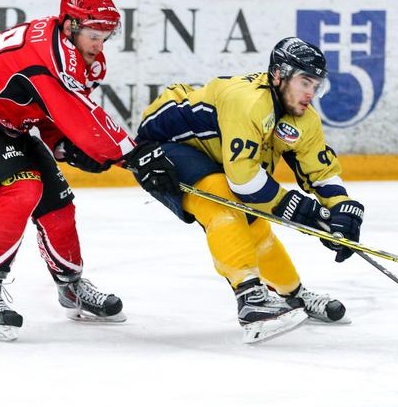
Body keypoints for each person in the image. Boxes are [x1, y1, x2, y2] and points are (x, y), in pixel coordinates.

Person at [0, 0, 178, 341]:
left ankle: (70, 287)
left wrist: (62, 145)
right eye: (93, 35)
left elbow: (48, 110)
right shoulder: (47, 56)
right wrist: (133, 156)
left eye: (105, 37)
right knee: (23, 188)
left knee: (57, 202)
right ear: (71, 24)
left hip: (3, 120)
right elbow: (82, 118)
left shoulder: (71, 50)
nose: (99, 45)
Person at [132, 37, 365, 343]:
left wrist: (340, 209)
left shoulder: (303, 118)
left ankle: (293, 294)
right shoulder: (249, 102)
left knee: (254, 222)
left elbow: (319, 170)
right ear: (279, 75)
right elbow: (244, 181)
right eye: (305, 82)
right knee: (224, 202)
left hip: (213, 154)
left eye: (316, 85)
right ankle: (250, 299)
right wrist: (308, 214)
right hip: (163, 148)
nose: (311, 93)